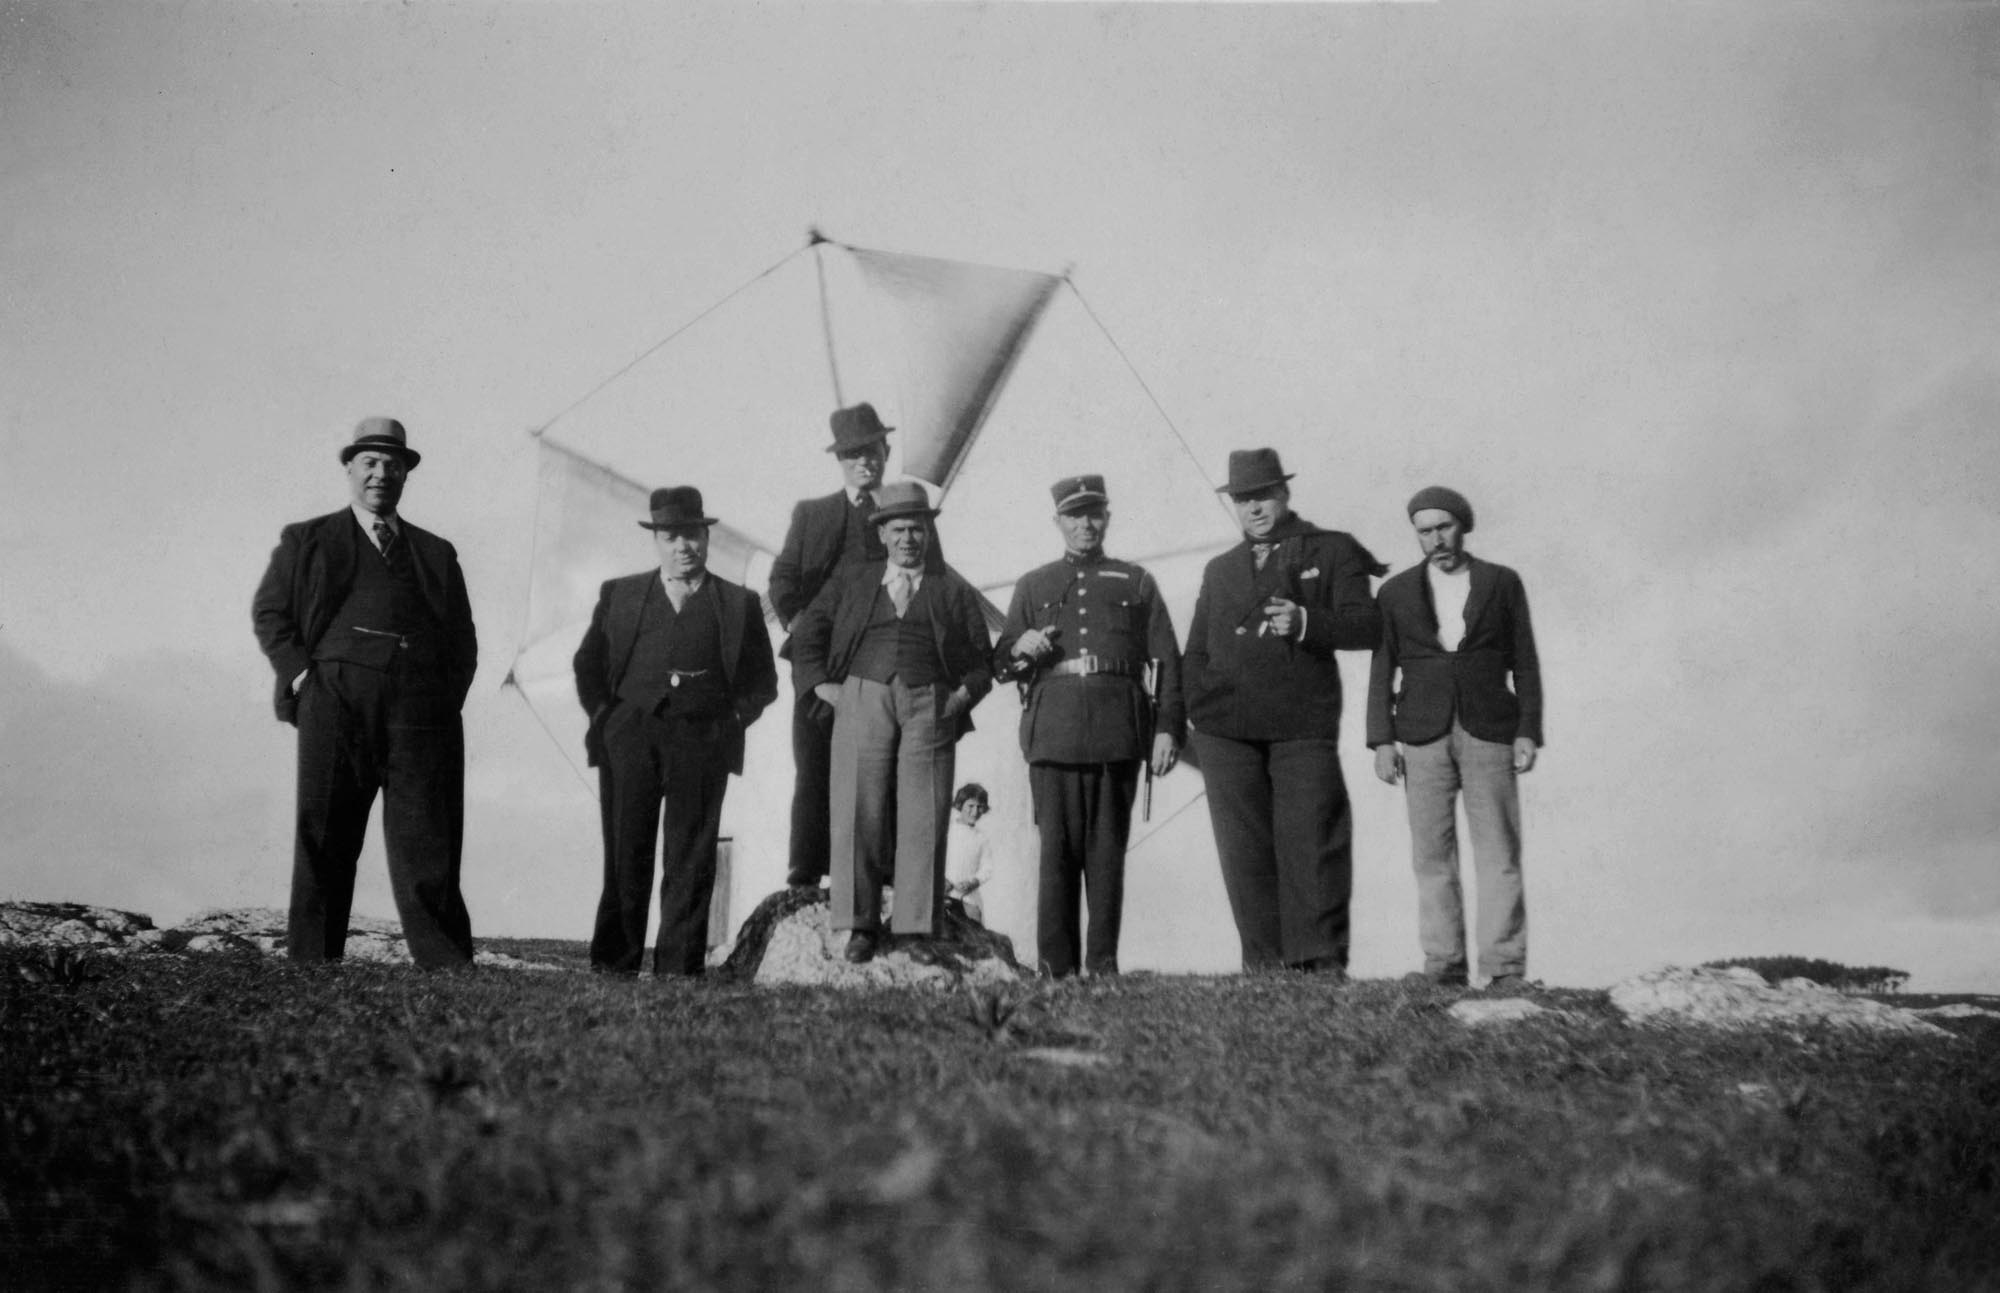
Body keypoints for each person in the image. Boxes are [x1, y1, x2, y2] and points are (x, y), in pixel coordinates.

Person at [252, 417, 478, 967]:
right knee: (327, 832)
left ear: (406, 475)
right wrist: (304, 679)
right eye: (370, 463)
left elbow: (462, 639)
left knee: (428, 837)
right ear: (350, 469)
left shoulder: (436, 552)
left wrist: (440, 698)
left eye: (392, 465)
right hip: (336, 698)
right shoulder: (307, 539)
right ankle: (313, 961)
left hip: (421, 710)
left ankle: (446, 966)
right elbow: (271, 613)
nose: (381, 474)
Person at [1183, 448, 1384, 975]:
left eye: (1263, 496)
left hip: (1301, 723)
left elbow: (1367, 626)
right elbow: (1196, 650)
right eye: (1242, 499)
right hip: (1225, 729)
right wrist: (1196, 709)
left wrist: (1306, 622)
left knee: (1312, 840)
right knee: (1243, 850)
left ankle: (1319, 963)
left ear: (1285, 493)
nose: (1253, 508)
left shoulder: (1332, 549)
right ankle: (1265, 968)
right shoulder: (1220, 569)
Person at [572, 486, 779, 977]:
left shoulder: (739, 603)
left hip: (704, 740)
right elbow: (587, 664)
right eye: (671, 537)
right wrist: (607, 719)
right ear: (656, 541)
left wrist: (730, 721)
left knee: (692, 855)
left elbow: (762, 683)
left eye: (691, 535)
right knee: (626, 851)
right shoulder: (620, 594)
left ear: (706, 538)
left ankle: (679, 969)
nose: (683, 546)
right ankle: (614, 963)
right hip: (630, 737)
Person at [789, 481, 993, 964]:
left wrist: (960, 697)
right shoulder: (853, 580)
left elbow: (982, 660)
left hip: (930, 702)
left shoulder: (952, 588)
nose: (908, 539)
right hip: (864, 696)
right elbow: (806, 635)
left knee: (925, 812)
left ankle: (914, 929)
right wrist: (823, 687)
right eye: (898, 530)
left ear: (928, 533)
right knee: (858, 806)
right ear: (881, 533)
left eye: (916, 529)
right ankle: (860, 925)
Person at [996, 474, 1184, 978]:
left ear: (1107, 517)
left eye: (1094, 514)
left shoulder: (1136, 581)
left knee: (1107, 855)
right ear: (1057, 521)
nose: (1086, 524)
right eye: (1075, 515)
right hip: (1053, 733)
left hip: (1117, 730)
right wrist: (1020, 647)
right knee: (1056, 855)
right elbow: (1002, 659)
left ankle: (1103, 966)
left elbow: (1168, 658)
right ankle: (1055, 969)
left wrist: (1167, 727)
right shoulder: (1033, 584)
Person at [1367, 486, 1543, 992]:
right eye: (1425, 531)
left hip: (1490, 730)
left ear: (1462, 526)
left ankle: (1504, 968)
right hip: (1421, 734)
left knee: (1499, 852)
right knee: (1431, 855)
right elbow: (1383, 667)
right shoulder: (1395, 592)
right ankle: (1443, 965)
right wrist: (1382, 740)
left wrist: (1528, 730)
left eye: (1444, 527)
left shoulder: (1501, 582)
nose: (1436, 539)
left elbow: (1525, 660)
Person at [768, 403, 947, 889]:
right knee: (814, 761)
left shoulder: (907, 512)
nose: (863, 461)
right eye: (852, 454)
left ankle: (882, 868)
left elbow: (935, 578)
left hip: (885, 655)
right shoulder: (812, 514)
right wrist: (805, 629)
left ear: (886, 451)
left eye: (871, 451)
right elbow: (782, 580)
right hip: (820, 659)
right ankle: (806, 868)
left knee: (887, 760)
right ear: (839, 460)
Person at [944, 783, 995, 923]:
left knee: (973, 931)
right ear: (960, 805)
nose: (975, 812)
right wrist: (943, 881)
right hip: (945, 896)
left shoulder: (981, 838)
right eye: (970, 806)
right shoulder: (948, 831)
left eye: (979, 807)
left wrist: (973, 882)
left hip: (969, 899)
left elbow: (987, 868)